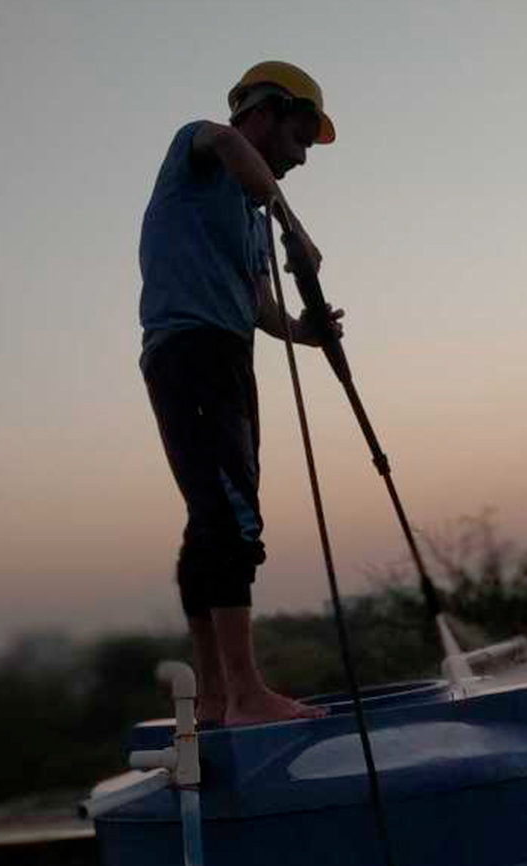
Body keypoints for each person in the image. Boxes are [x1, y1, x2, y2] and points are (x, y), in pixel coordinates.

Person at [138, 61, 344, 726]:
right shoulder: (200, 148)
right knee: (231, 516)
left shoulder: (251, 217)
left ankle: (218, 699)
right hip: (190, 350)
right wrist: (296, 225)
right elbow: (226, 144)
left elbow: (258, 303)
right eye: (302, 135)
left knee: (212, 518)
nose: (303, 157)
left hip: (228, 353)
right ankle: (248, 696)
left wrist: (305, 333)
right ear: (265, 108)